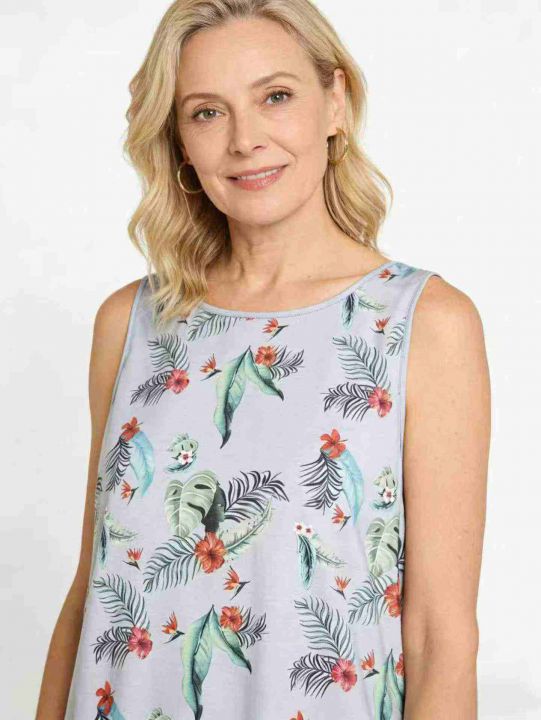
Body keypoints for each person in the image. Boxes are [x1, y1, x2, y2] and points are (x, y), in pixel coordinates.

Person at [35, 1, 490, 719]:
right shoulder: (132, 324)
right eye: (207, 112)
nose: (245, 140)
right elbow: (92, 589)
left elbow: (442, 637)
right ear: (179, 140)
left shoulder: (422, 324)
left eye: (274, 96)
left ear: (335, 102)